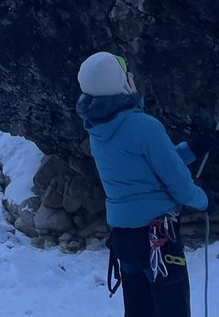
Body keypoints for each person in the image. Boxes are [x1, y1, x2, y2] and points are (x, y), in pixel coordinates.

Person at [77, 51, 218, 317]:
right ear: (120, 83)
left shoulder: (97, 130)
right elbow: (179, 185)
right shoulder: (144, 126)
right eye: (125, 73)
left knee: (139, 310)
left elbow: (147, 165)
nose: (131, 76)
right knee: (172, 308)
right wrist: (206, 201)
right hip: (159, 237)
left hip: (125, 239)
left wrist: (194, 148)